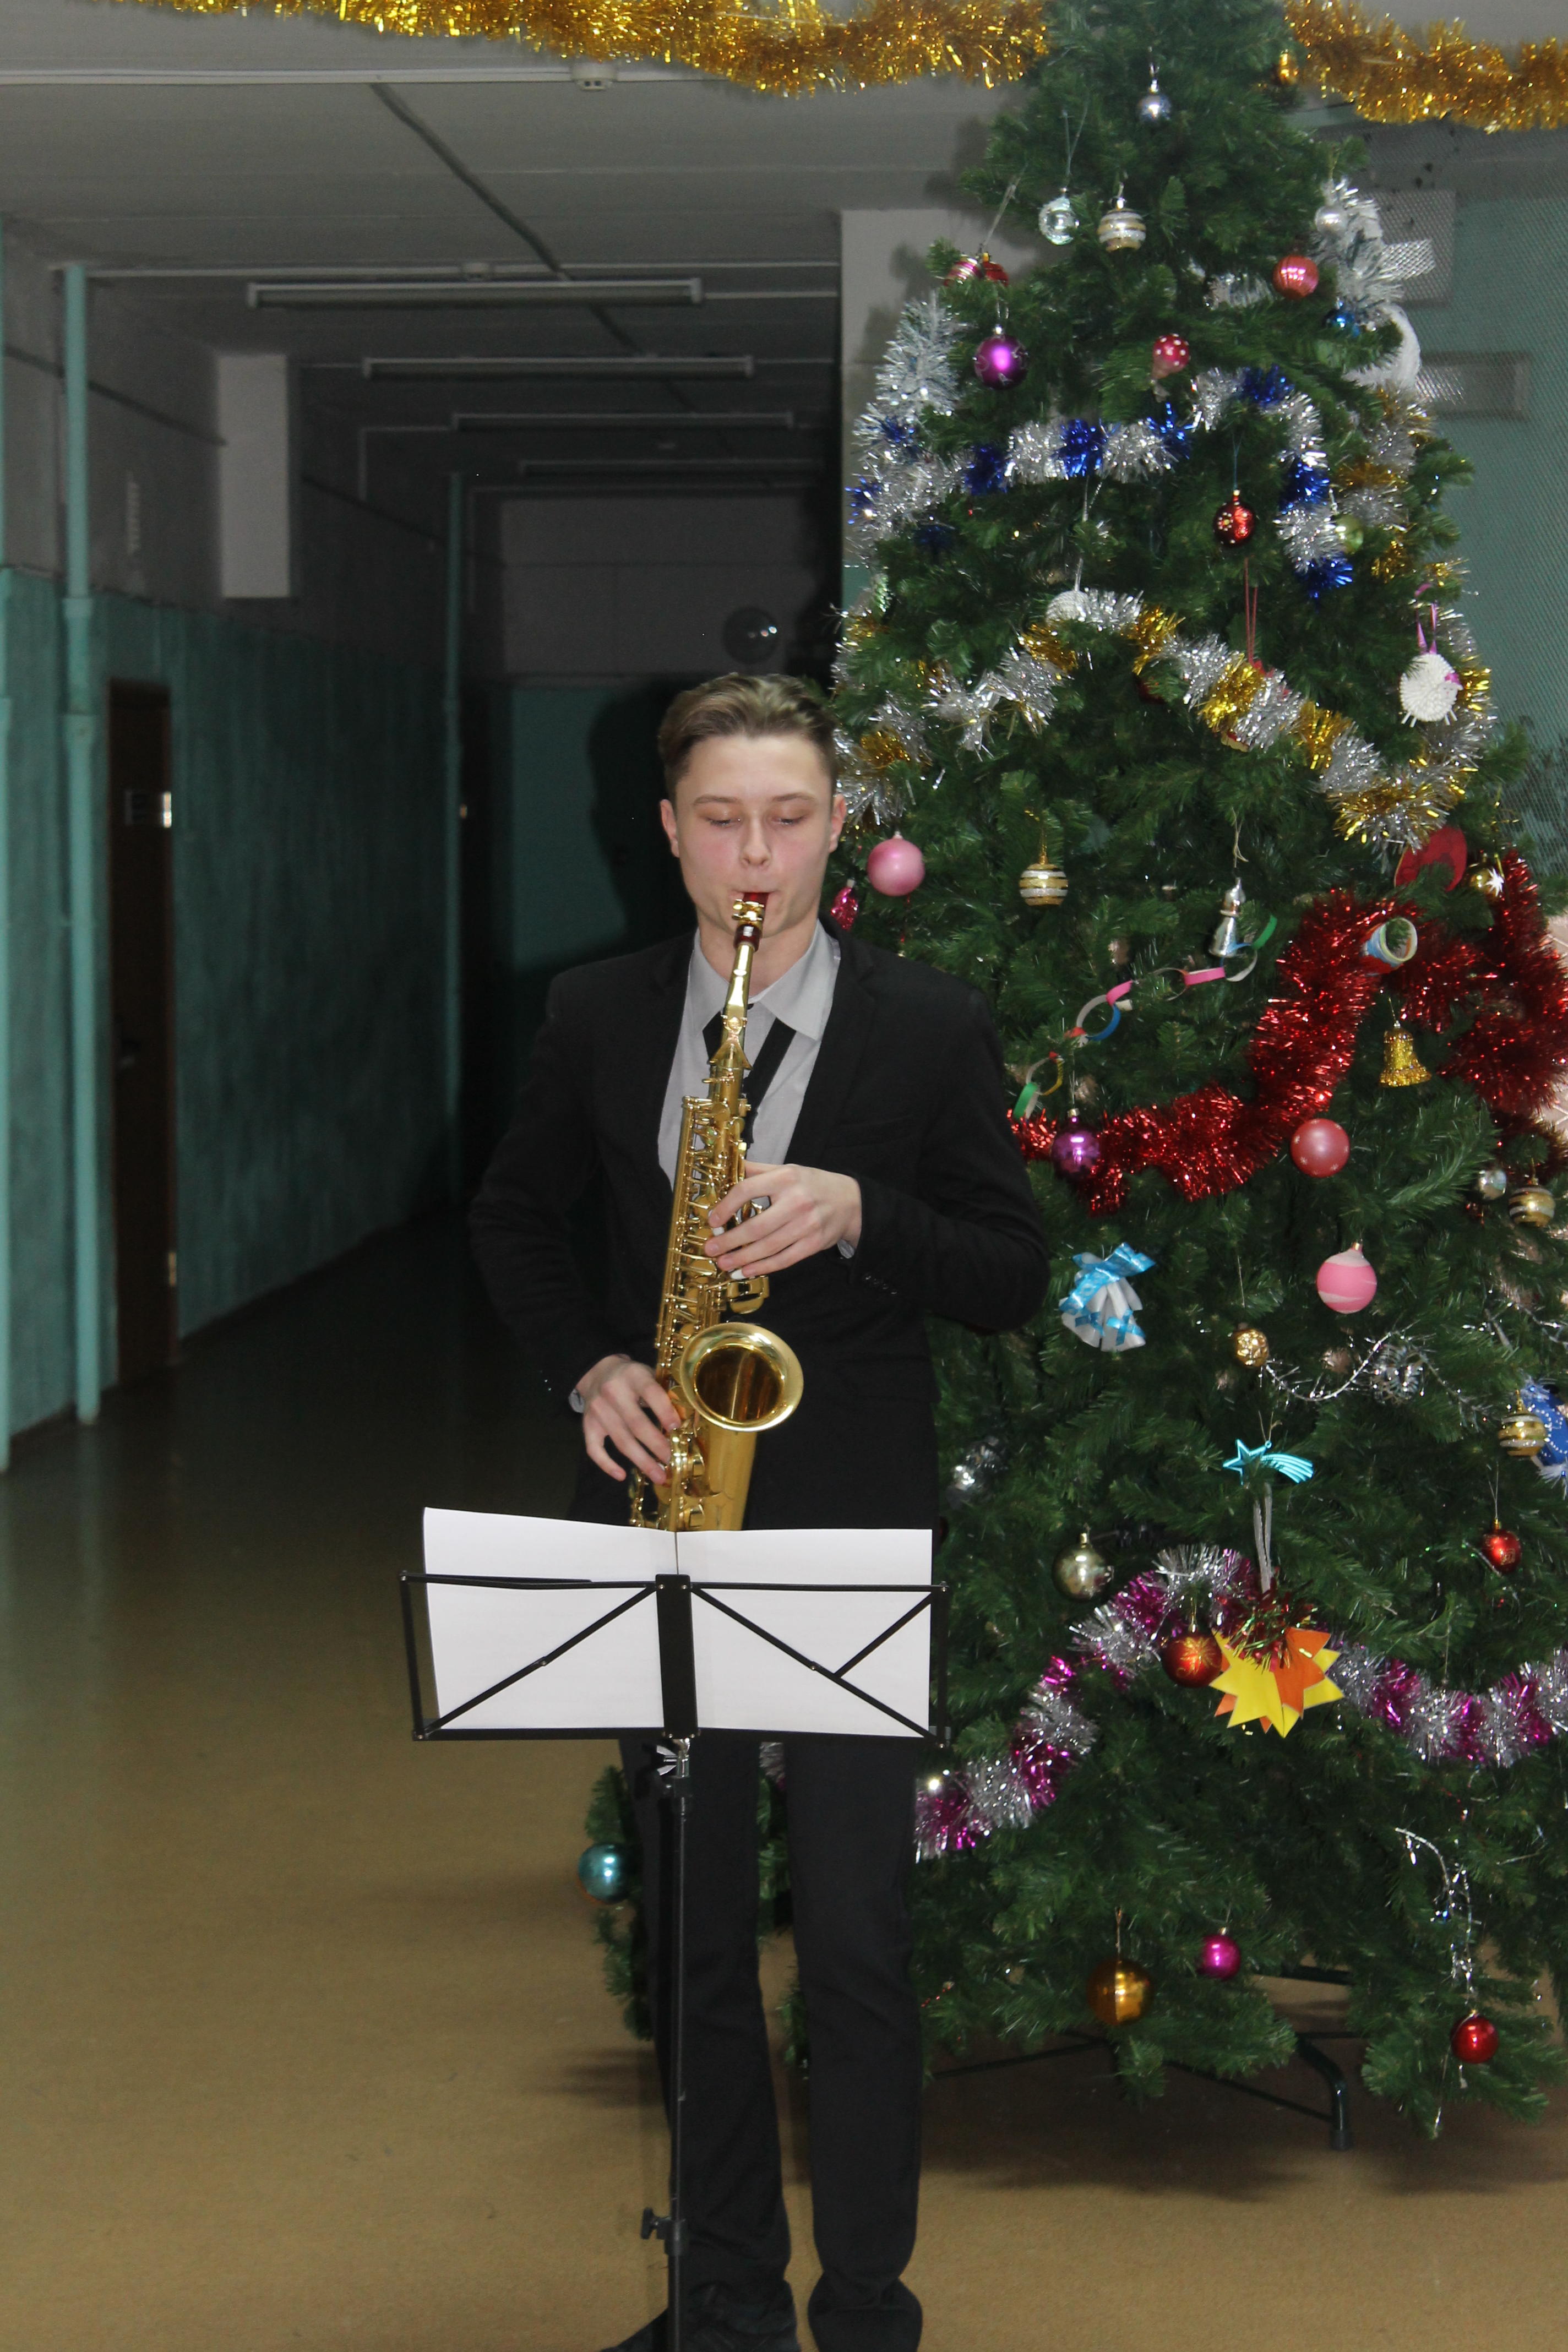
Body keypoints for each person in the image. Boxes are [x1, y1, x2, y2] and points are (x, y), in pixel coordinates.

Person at [470, 674, 1048, 2352]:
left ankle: (865, 2306)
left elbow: (1011, 1272)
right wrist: (589, 1366)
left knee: (859, 1940)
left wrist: (866, 1212)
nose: (756, 856)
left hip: (849, 1529)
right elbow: (513, 1218)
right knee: (696, 1938)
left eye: (790, 819)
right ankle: (723, 2299)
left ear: (838, 829)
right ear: (668, 831)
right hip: (666, 1512)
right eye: (722, 819)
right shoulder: (597, 1012)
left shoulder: (927, 1027)